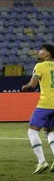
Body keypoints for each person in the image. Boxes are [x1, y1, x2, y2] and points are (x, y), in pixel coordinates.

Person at [21, 43, 54, 174]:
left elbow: (33, 84)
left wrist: (25, 86)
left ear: (47, 54)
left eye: (42, 50)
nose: (39, 52)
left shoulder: (40, 66)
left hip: (46, 103)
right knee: (50, 132)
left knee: (32, 132)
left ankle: (41, 161)